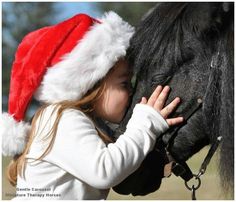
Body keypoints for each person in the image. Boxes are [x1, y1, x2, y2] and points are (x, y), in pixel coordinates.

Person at [1, 12, 184, 200]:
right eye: (124, 83)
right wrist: (147, 123)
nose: (131, 91)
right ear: (91, 84)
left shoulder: (64, 117)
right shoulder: (61, 118)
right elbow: (105, 171)